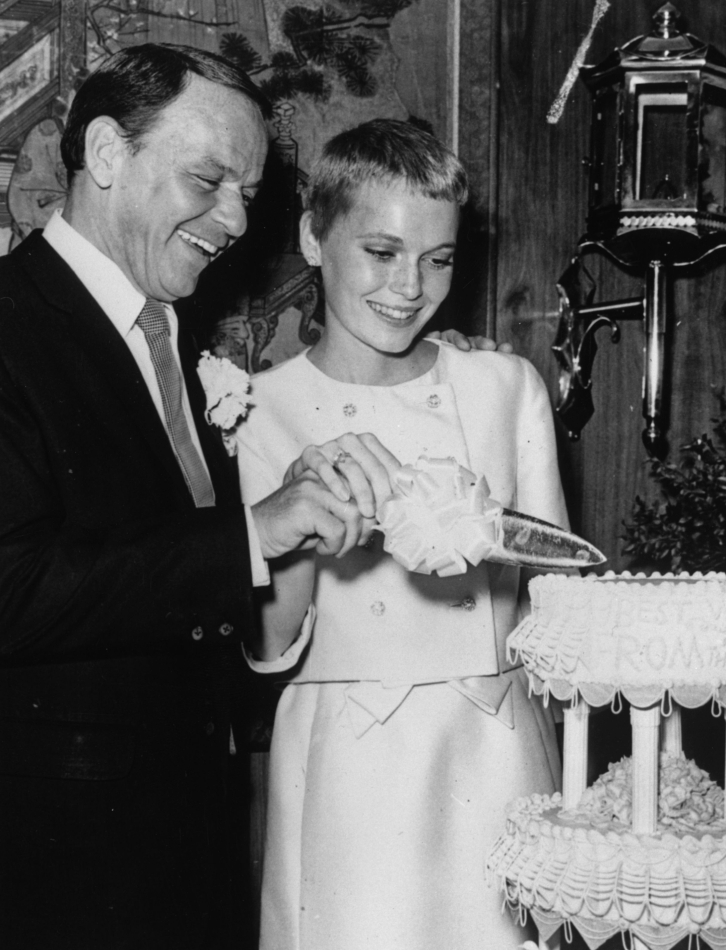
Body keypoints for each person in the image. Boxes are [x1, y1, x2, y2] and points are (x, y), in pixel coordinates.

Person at [0, 44, 403, 949]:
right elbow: (10, 589)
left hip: (181, 843)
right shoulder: (12, 324)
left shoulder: (172, 338)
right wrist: (249, 535)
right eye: (207, 180)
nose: (232, 220)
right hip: (55, 867)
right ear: (106, 154)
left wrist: (287, 536)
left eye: (248, 195)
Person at [235, 119, 569, 950]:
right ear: (315, 238)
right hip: (346, 754)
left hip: (491, 743)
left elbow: (558, 606)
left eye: (439, 258)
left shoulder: (504, 386)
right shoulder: (257, 412)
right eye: (380, 252)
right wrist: (307, 530)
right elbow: (272, 647)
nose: (410, 287)